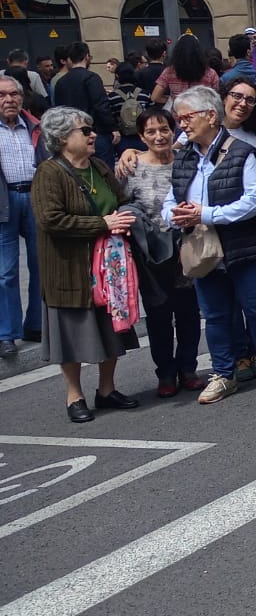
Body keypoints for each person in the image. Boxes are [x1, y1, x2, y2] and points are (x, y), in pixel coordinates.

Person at [163, 86, 256, 403]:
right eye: (179, 118)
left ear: (211, 116)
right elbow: (169, 200)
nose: (182, 125)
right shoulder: (183, 159)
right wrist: (174, 215)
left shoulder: (242, 152)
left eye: (187, 117)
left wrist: (206, 213)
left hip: (247, 246)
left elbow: (255, 201)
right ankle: (223, 374)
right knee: (215, 316)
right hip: (204, 252)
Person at [31, 106, 142, 422]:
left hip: (111, 267)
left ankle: (106, 390)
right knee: (72, 333)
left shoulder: (97, 166)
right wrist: (103, 224)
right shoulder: (49, 173)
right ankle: (74, 396)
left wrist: (124, 218)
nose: (93, 134)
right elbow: (51, 219)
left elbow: (119, 201)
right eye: (85, 130)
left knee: (111, 327)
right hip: (70, 268)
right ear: (63, 138)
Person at [121, 107, 203, 396]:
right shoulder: (130, 167)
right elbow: (121, 205)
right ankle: (165, 374)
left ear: (173, 130)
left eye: (164, 129)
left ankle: (188, 368)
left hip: (186, 249)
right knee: (158, 315)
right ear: (141, 136)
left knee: (189, 313)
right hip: (151, 254)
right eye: (151, 131)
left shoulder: (187, 162)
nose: (159, 136)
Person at [0, 75, 42, 358]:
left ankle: (36, 324)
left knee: (42, 265)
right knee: (6, 272)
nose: (9, 100)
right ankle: (7, 333)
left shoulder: (35, 126)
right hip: (4, 200)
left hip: (35, 197)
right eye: (2, 95)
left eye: (14, 94)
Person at [51, 42, 118, 165]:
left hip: (71, 135)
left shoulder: (60, 82)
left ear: (69, 59)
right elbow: (101, 105)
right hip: (96, 133)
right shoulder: (91, 78)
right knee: (104, 170)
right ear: (87, 56)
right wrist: (112, 128)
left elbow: (59, 109)